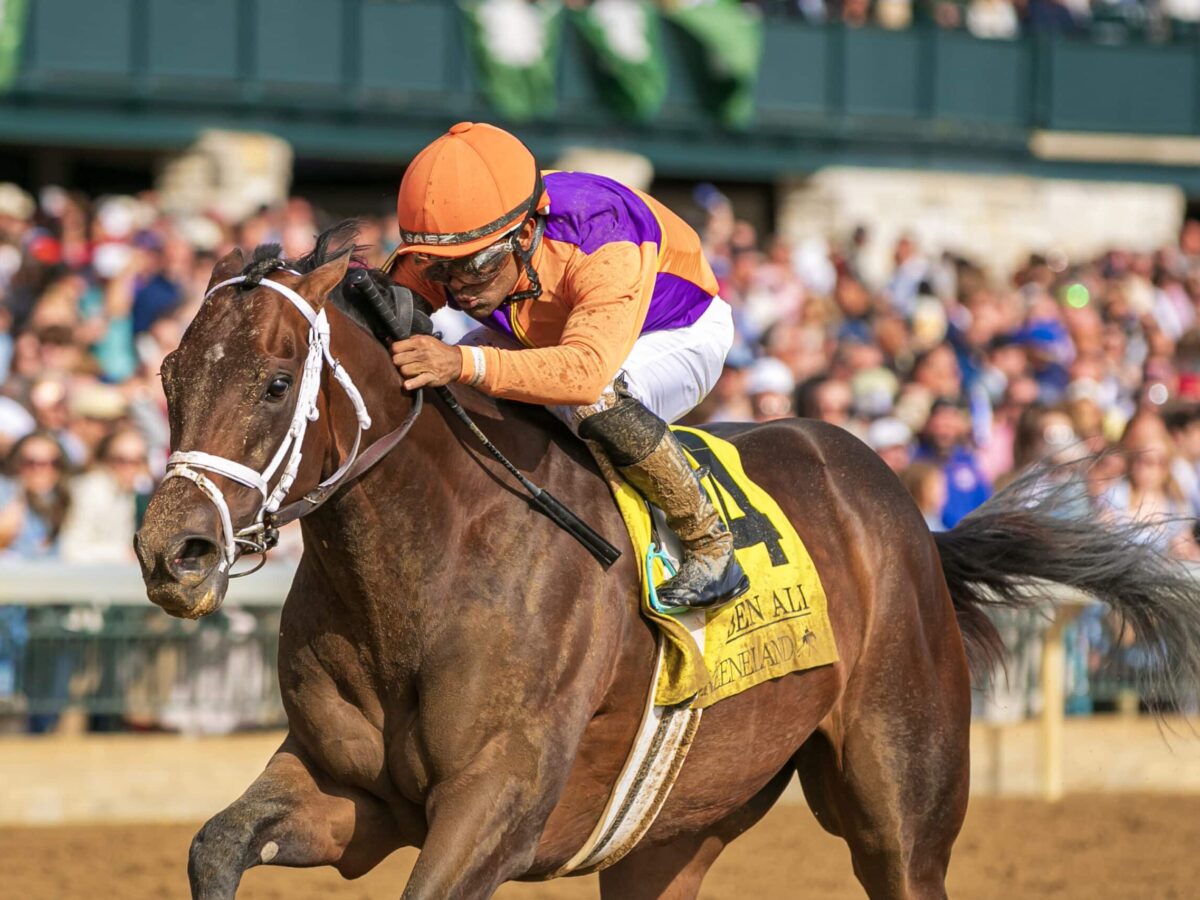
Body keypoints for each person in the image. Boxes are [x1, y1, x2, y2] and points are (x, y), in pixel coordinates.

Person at [385, 122, 748, 609]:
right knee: (461, 367)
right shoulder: (473, 229)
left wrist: (460, 362)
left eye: (475, 266)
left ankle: (710, 545)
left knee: (592, 399)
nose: (457, 286)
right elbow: (390, 304)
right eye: (440, 268)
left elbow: (583, 373)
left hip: (673, 331)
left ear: (527, 232)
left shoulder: (605, 237)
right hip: (552, 331)